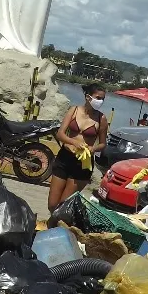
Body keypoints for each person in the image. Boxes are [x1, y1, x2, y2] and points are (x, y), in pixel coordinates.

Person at [48, 83, 109, 212]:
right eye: (98, 97)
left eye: (102, 99)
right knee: (52, 205)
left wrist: (93, 148)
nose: (100, 101)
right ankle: (54, 228)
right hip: (64, 158)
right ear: (88, 97)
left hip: (83, 163)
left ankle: (54, 229)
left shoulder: (101, 119)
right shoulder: (74, 110)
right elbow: (60, 134)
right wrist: (74, 142)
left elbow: (103, 144)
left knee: (62, 207)